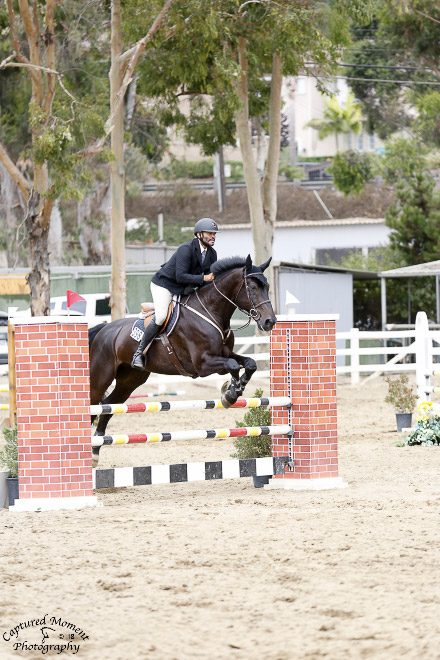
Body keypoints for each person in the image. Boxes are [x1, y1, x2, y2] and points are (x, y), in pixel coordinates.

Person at [131, 217, 219, 370]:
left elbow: (209, 280)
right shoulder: (186, 249)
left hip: (184, 289)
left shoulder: (212, 254)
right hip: (165, 285)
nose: (213, 236)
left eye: (214, 234)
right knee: (161, 317)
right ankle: (138, 354)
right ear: (198, 235)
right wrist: (203, 278)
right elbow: (181, 276)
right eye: (209, 233)